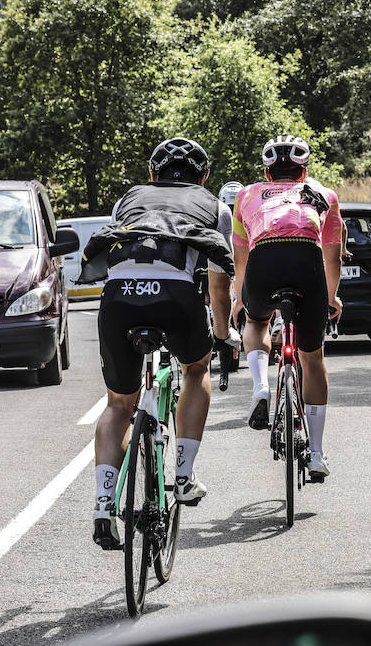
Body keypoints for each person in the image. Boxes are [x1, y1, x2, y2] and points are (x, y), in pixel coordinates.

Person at [85, 137, 235, 550]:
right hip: (175, 295)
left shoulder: (128, 199)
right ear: (204, 177)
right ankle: (183, 477)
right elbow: (219, 284)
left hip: (118, 296)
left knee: (118, 403)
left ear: (152, 175)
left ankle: (103, 502)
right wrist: (222, 336)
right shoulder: (215, 206)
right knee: (195, 369)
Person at [231, 135, 343, 482]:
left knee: (256, 322)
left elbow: (240, 257)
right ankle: (317, 453)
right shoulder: (324, 194)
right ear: (303, 169)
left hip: (264, 263)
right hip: (306, 262)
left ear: (267, 171)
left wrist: (239, 298)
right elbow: (333, 255)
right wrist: (331, 297)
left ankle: (260, 386)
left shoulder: (245, 195)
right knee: (313, 358)